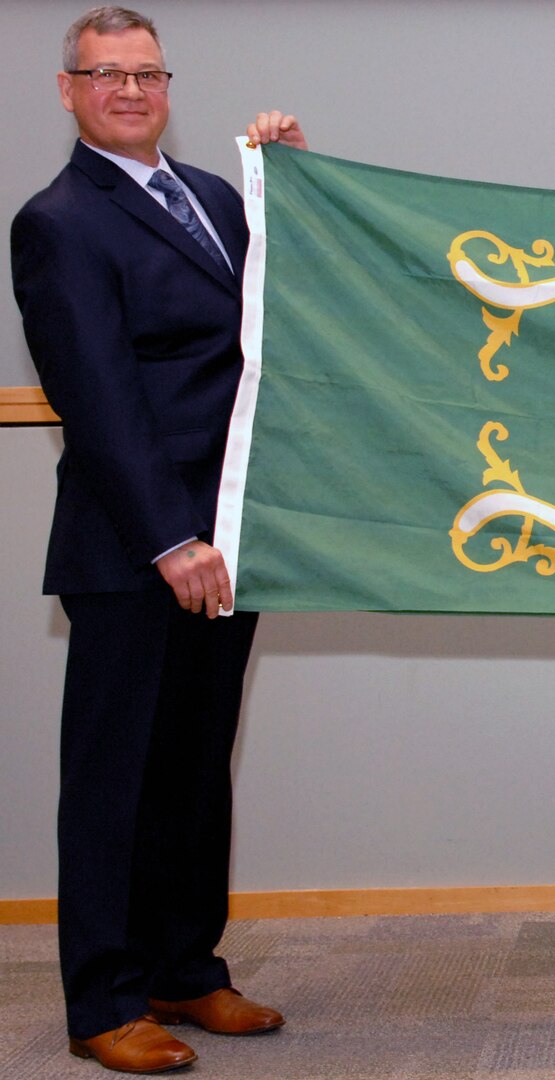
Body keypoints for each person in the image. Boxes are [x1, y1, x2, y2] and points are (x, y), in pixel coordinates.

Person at [10, 6, 307, 1072]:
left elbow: (290, 307)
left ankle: (187, 969)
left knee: (192, 765)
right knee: (114, 775)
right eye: (105, 75)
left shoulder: (217, 200)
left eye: (146, 74)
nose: (129, 92)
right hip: (139, 546)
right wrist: (169, 539)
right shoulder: (58, 220)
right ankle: (103, 1001)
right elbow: (97, 400)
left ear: (166, 85)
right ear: (68, 90)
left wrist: (295, 182)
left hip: (230, 533)